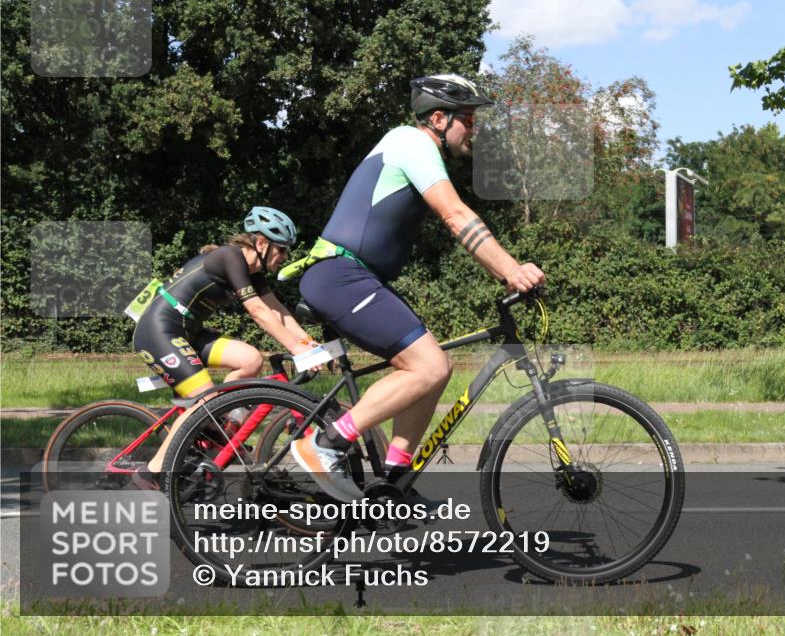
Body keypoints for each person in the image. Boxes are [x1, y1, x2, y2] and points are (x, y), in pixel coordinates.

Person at [289, 74, 545, 504]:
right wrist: (510, 270)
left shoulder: (417, 148)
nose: (474, 129)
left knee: (432, 371)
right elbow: (454, 216)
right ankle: (326, 444)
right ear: (439, 118)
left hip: (353, 278)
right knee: (429, 366)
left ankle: (394, 478)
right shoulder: (411, 141)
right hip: (341, 275)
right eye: (468, 118)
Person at [132, 207, 317, 485]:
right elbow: (257, 310)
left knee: (250, 360)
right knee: (205, 400)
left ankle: (217, 428)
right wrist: (296, 348)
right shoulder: (230, 256)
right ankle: (151, 473)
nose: (285, 257)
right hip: (158, 331)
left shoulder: (254, 271)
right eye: (282, 250)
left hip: (188, 331)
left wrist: (307, 342)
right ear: (261, 244)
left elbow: (276, 309)